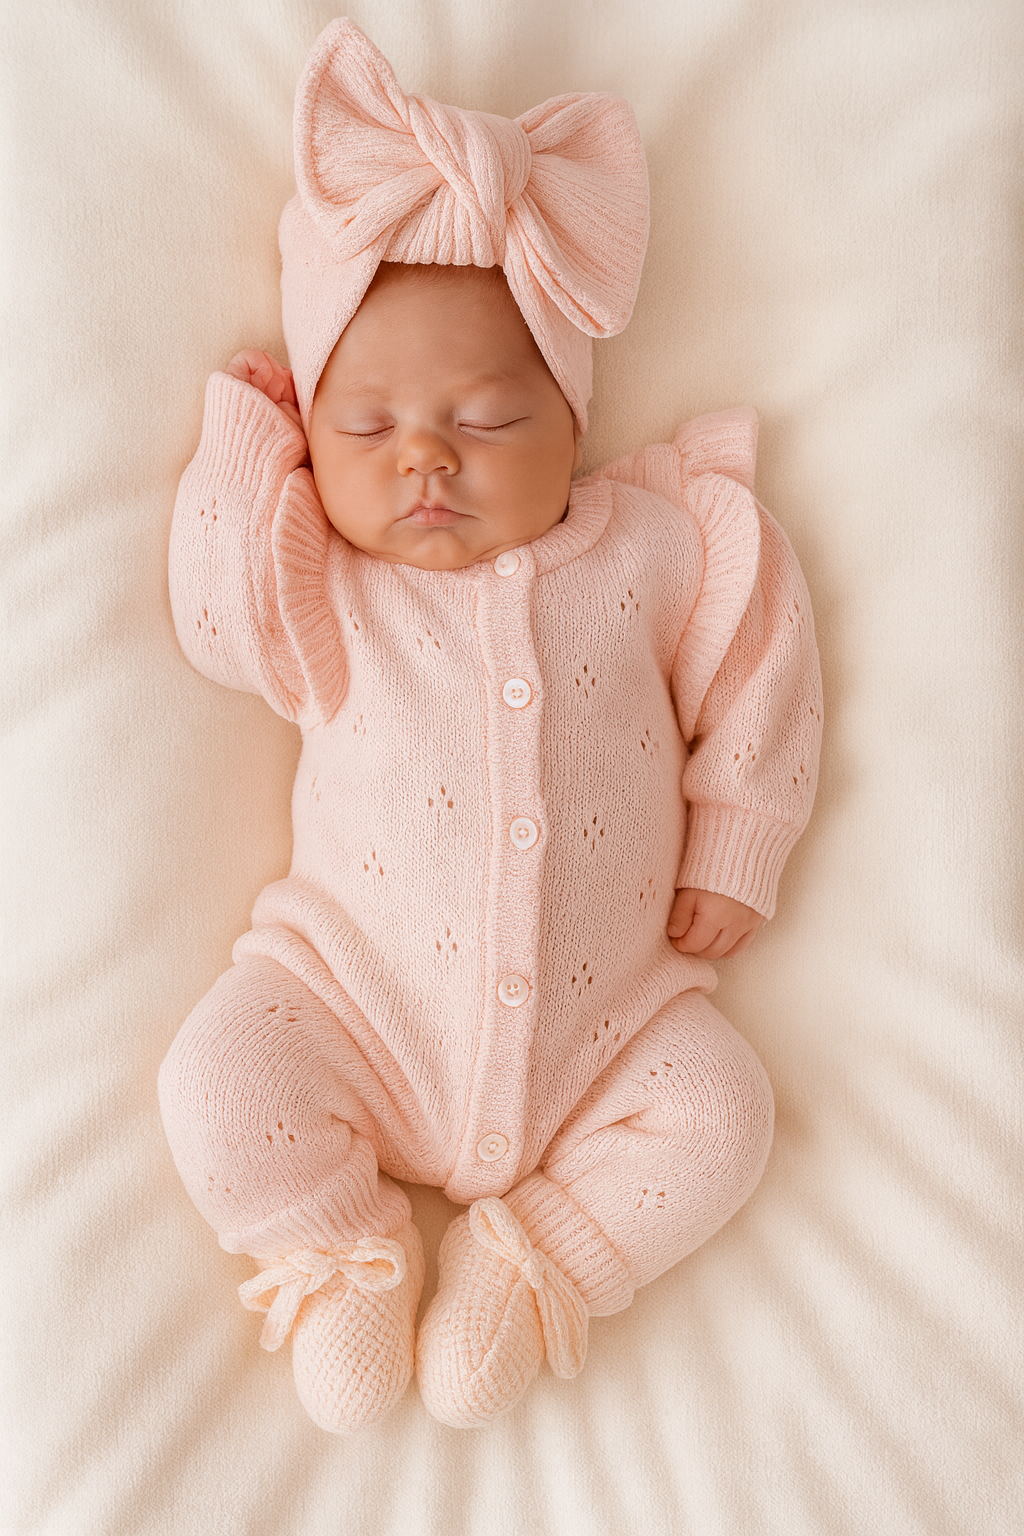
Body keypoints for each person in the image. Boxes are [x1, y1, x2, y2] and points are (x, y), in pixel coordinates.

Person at [158, 17, 822, 1435]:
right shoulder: (327, 587)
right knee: (218, 1076)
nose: (426, 460)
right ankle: (337, 1253)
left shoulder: (658, 549)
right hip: (348, 1005)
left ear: (570, 421)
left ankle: (537, 1269)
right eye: (370, 425)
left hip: (608, 1039)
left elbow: (762, 652)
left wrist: (739, 836)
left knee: (725, 1116)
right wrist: (246, 438)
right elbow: (216, 620)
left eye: (486, 419)